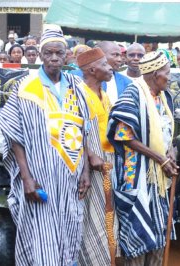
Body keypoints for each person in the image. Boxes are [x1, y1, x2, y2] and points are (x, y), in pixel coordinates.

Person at [0, 24, 91, 265]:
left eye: (59, 52)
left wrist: (86, 171)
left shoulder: (78, 88)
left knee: (70, 232)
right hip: (39, 176)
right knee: (39, 235)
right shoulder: (25, 87)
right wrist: (26, 177)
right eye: (49, 53)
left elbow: (85, 132)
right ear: (39, 54)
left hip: (71, 176)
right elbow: (14, 135)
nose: (54, 58)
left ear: (67, 54)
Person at [107, 51, 179, 265]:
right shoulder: (132, 94)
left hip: (158, 175)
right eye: (167, 72)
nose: (170, 77)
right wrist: (160, 159)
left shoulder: (164, 97)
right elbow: (125, 137)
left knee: (159, 225)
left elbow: (167, 132)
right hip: (136, 172)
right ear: (155, 74)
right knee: (138, 228)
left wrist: (170, 152)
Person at [75, 48, 117, 265]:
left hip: (108, 163)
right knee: (90, 218)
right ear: (92, 69)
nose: (110, 67)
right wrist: (90, 156)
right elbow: (74, 131)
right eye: (104, 64)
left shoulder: (105, 95)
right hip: (88, 165)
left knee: (105, 218)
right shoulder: (78, 93)